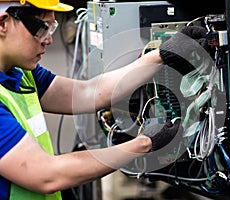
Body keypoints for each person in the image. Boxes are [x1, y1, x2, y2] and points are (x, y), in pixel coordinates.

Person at [0, 0, 208, 199]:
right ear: (3, 23)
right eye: (42, 28)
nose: (48, 39)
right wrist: (144, 143)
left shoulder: (21, 73)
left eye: (51, 28)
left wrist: (161, 55)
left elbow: (87, 93)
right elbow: (47, 174)